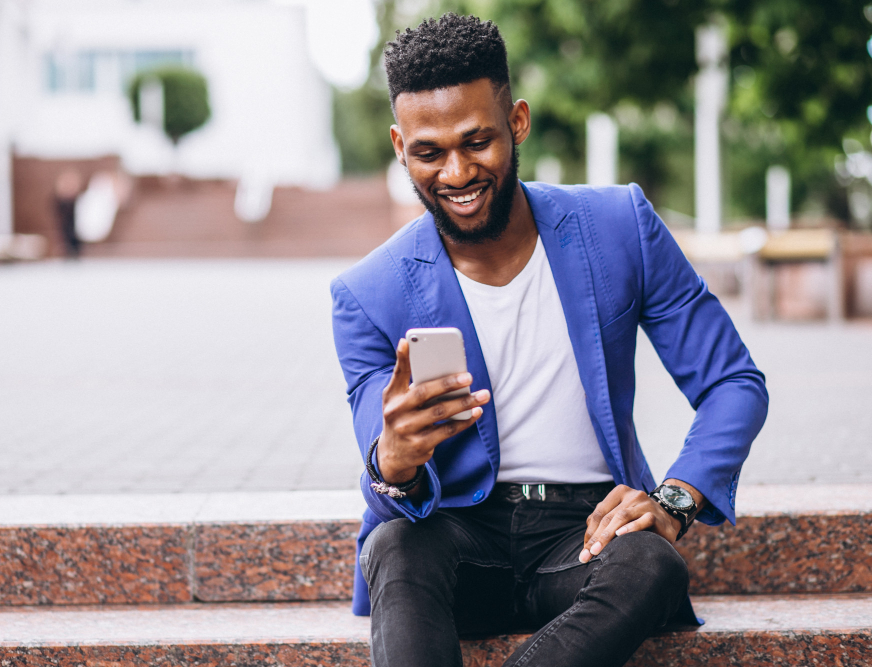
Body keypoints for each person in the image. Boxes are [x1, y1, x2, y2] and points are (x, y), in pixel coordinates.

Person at [329, 13, 768, 667]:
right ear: (399, 146)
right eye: (429, 152)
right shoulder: (370, 291)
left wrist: (675, 497)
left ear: (518, 123)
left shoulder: (621, 226)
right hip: (458, 540)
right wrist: (393, 457)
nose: (455, 172)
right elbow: (384, 474)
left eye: (477, 141)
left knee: (652, 559)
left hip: (586, 533)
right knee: (394, 545)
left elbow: (734, 381)